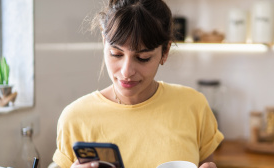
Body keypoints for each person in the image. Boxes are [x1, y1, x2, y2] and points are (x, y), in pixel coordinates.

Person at [53, 0, 224, 168]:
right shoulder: (75, 118)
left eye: (143, 58)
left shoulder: (194, 106)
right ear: (104, 41)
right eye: (116, 54)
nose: (127, 72)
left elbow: (207, 163)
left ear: (165, 52)